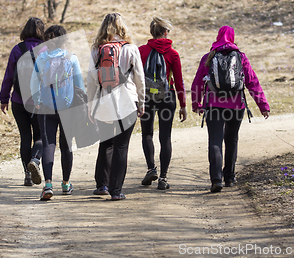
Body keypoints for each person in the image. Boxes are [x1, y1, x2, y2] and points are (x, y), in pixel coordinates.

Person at [191, 26, 270, 193]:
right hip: (236, 106)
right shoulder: (241, 57)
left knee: (215, 141)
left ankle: (216, 179)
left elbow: (197, 82)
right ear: (232, 38)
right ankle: (230, 177)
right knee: (231, 140)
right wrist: (263, 105)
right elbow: (252, 82)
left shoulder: (208, 57)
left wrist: (196, 104)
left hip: (213, 105)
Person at [87, 13, 146, 201]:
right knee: (122, 146)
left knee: (106, 143)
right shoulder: (131, 49)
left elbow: (90, 80)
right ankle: (116, 190)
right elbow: (140, 79)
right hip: (127, 102)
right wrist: (141, 102)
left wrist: (90, 106)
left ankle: (101, 185)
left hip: (104, 102)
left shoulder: (97, 50)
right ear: (122, 28)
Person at [30, 25, 85, 200]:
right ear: (64, 40)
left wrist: (37, 101)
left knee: (48, 145)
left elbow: (33, 84)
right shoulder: (72, 58)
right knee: (66, 145)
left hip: (46, 107)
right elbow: (80, 86)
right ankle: (66, 184)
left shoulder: (41, 59)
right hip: (68, 107)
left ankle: (47, 184)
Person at [138, 17, 187, 190]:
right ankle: (163, 178)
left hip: (147, 98)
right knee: (165, 137)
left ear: (152, 32)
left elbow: (135, 77)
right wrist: (183, 105)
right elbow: (179, 81)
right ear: (166, 32)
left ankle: (151, 168)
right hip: (167, 98)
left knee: (147, 134)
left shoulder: (141, 51)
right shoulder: (173, 53)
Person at [0, 17, 44, 186]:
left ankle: (27, 174)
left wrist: (4, 99)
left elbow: (8, 76)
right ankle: (35, 160)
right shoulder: (45, 49)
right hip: (39, 102)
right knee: (40, 136)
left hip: (18, 100)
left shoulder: (17, 49)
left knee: (25, 136)